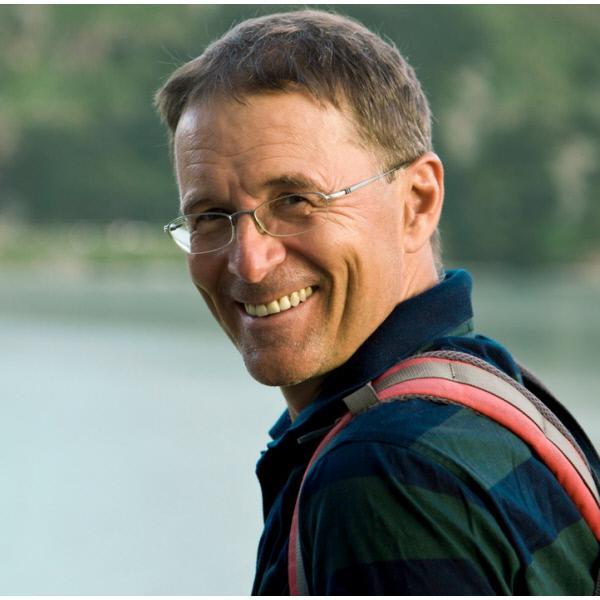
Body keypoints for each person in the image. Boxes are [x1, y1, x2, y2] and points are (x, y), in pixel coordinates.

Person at [155, 9, 599, 595]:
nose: (249, 262)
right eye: (210, 216)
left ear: (417, 202)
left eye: (295, 200)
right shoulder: (502, 397)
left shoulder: (380, 472)